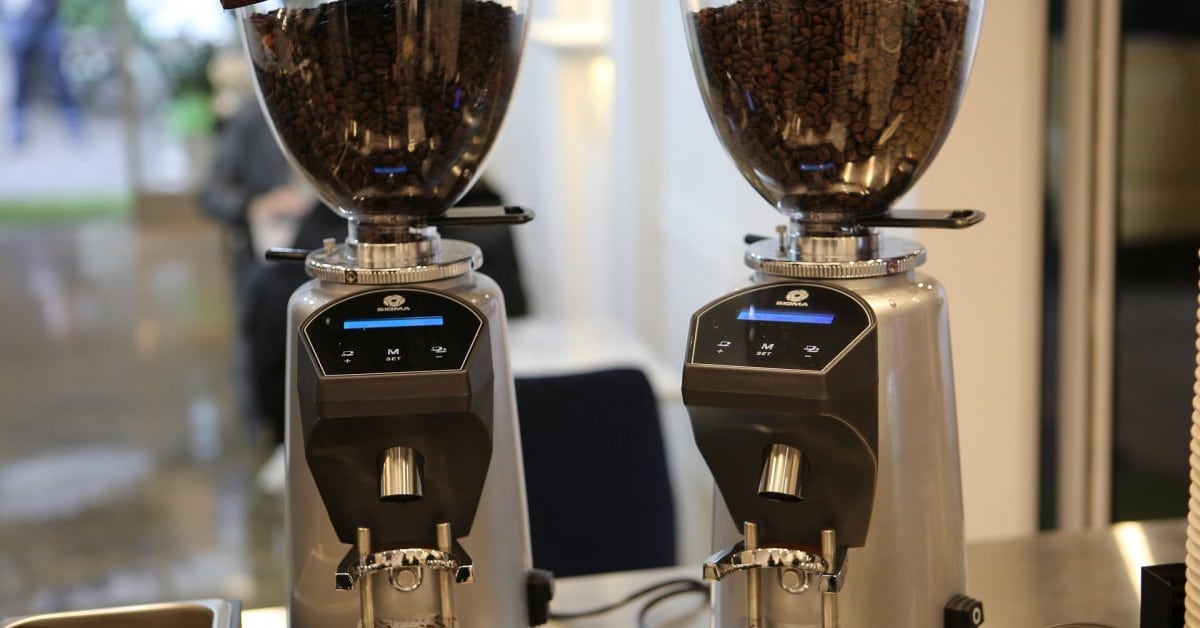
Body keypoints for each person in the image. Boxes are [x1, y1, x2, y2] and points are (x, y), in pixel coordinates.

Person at [2, 0, 82, 146]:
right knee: (21, 78)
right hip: (16, 21)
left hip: (47, 20)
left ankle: (73, 122)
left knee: (57, 76)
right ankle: (18, 125)